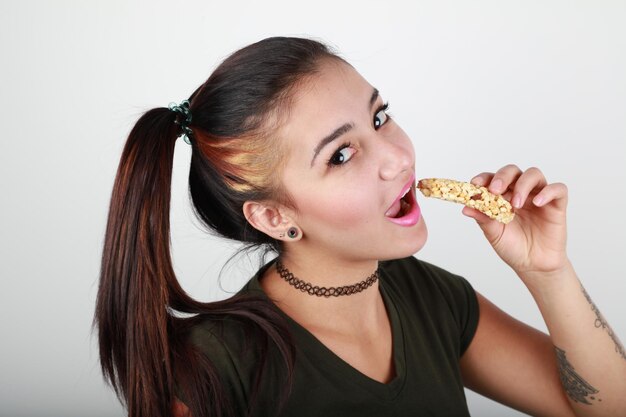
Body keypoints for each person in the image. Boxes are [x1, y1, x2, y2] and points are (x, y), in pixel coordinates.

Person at [94, 37, 626, 417]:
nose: (397, 158)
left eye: (379, 117)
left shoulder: (427, 295)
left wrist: (547, 270)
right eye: (341, 154)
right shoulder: (221, 367)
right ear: (275, 216)